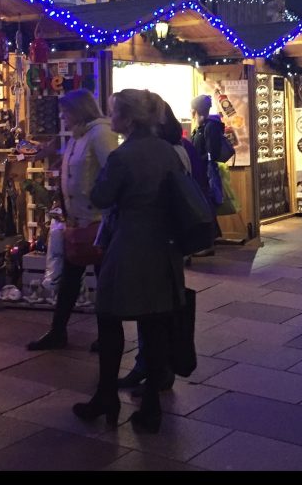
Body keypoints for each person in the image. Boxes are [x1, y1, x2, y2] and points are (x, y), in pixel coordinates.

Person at [72, 89, 185, 434]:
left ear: (130, 119)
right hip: (162, 249)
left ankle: (106, 397)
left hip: (128, 247)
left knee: (109, 320)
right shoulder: (168, 152)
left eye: (115, 113)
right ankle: (151, 404)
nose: (111, 119)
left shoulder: (123, 156)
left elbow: (102, 196)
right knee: (153, 325)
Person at [118, 102, 202, 396]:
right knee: (155, 307)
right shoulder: (175, 149)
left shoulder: (165, 152)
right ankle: (149, 367)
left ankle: (158, 371)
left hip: (161, 242)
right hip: (167, 242)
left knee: (157, 309)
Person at [27, 90, 116, 352]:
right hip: (77, 221)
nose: (62, 118)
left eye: (65, 112)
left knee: (103, 281)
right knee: (70, 279)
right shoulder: (80, 136)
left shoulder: (100, 134)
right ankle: (58, 331)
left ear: (78, 111)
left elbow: (111, 172)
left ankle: (106, 335)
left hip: (97, 221)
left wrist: (101, 204)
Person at [189, 94, 225, 255]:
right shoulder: (201, 126)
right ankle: (211, 239)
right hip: (201, 172)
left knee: (206, 205)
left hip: (205, 172)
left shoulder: (209, 127)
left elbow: (212, 153)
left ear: (195, 110)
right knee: (206, 205)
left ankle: (208, 243)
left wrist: (198, 159)